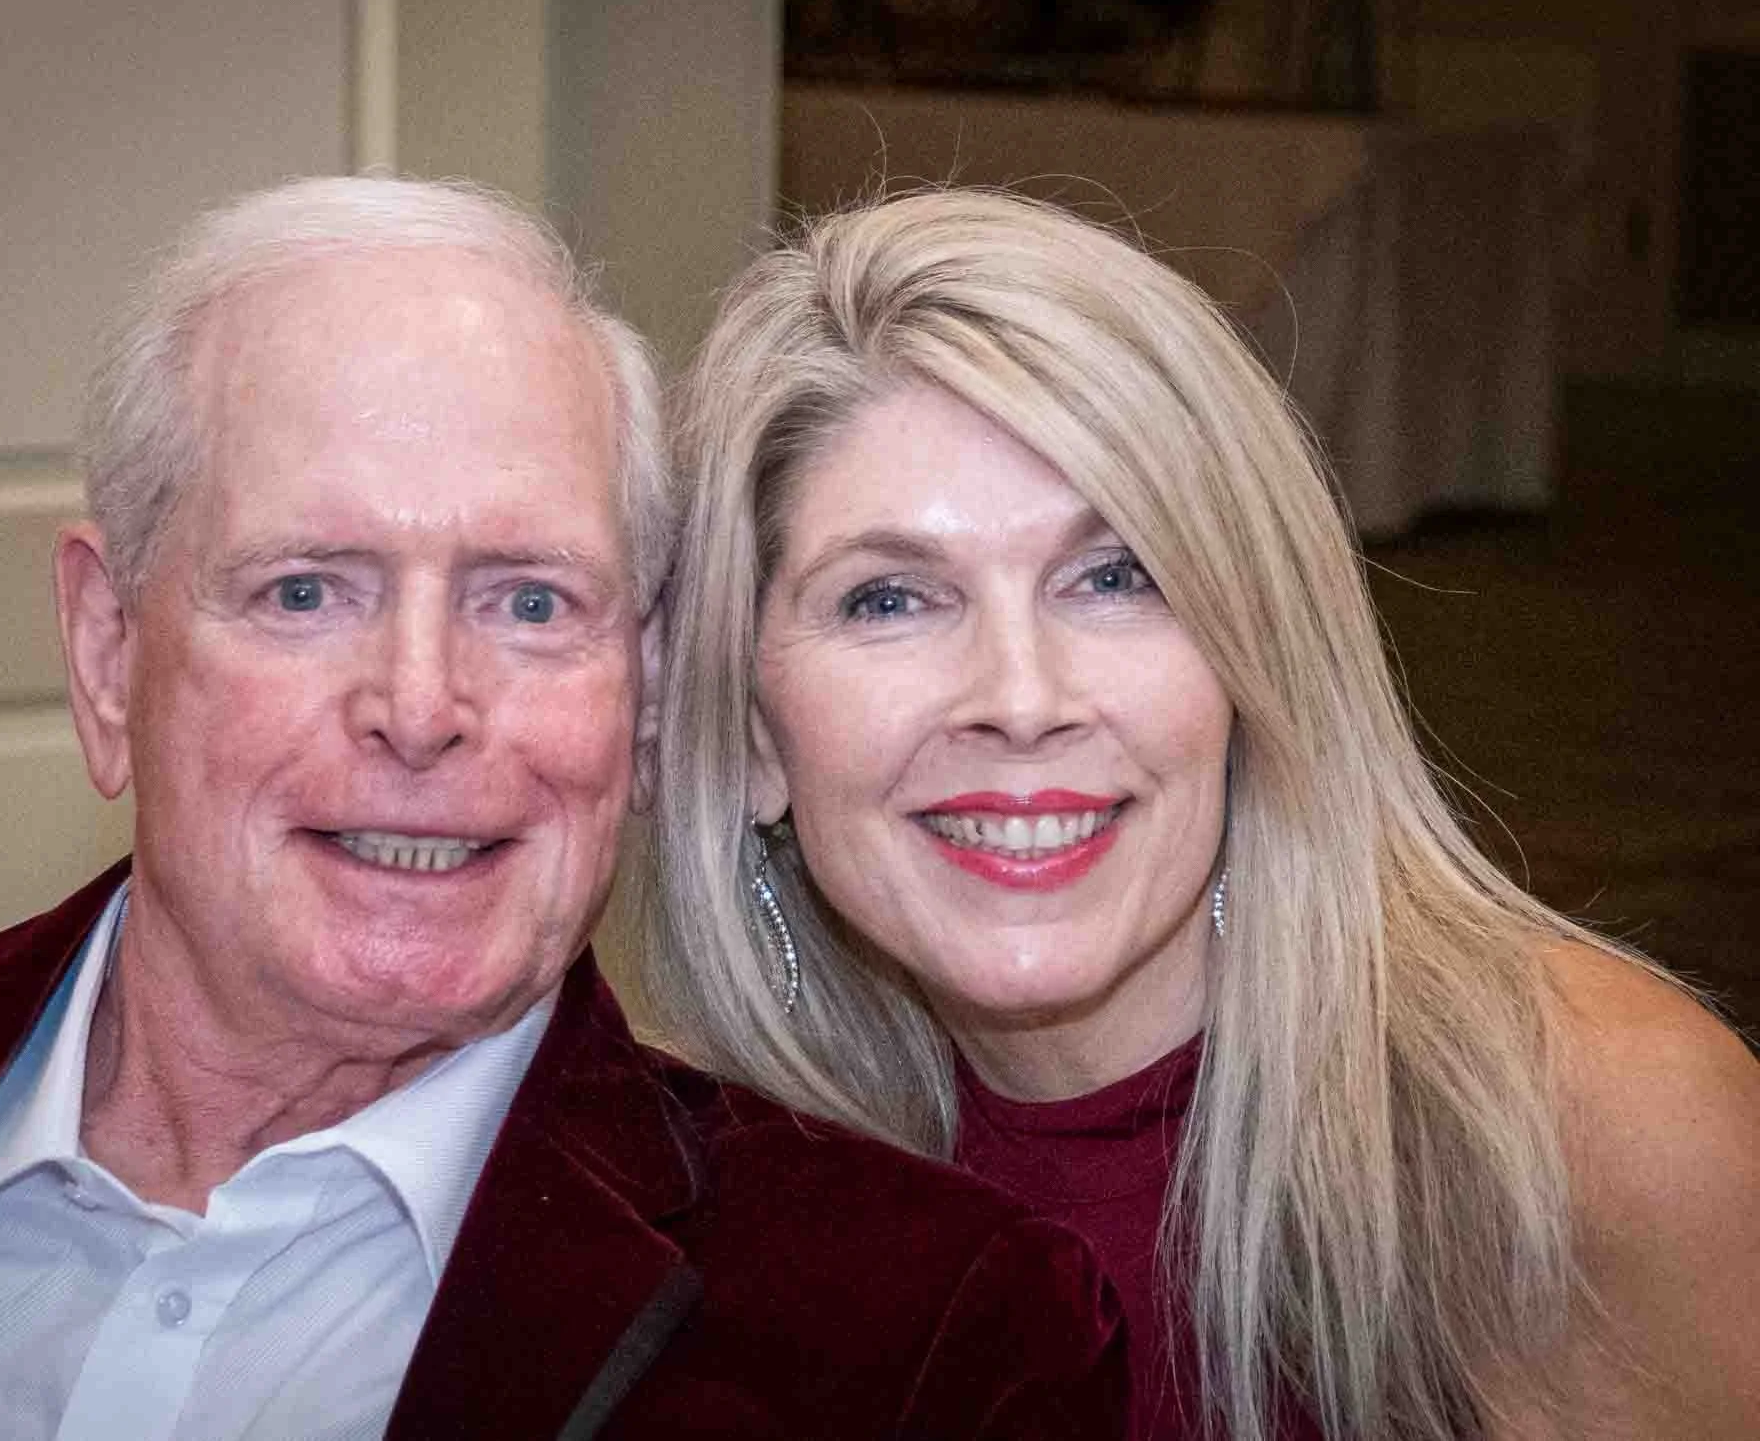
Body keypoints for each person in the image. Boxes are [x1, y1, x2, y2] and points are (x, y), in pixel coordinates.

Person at [0, 177, 1129, 1440]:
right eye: (307, 591)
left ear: (645, 691)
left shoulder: (921, 1345)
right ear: (110, 653)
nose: (420, 709)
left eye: (531, 602)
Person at [644, 188, 1760, 1440]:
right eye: (890, 601)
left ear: (1252, 652)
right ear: (748, 735)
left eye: (1114, 576)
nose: (1019, 699)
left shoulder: (1585, 1136)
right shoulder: (678, 1203)